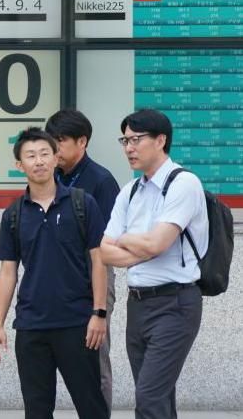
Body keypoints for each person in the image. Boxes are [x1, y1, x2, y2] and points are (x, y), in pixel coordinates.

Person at [0, 127, 109, 419]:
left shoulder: (83, 204)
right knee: (37, 410)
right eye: (30, 156)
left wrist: (99, 313)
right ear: (20, 165)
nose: (39, 161)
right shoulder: (14, 214)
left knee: (91, 407)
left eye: (45, 153)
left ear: (57, 158)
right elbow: (8, 272)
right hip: (31, 326)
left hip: (77, 325)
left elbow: (99, 261)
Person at [100, 109, 208, 419]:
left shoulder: (184, 183)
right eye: (125, 140)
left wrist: (132, 241)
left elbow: (157, 243)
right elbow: (105, 251)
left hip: (175, 302)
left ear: (160, 140)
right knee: (157, 397)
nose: (128, 148)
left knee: (148, 395)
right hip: (138, 304)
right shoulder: (129, 191)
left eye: (136, 139)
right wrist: (144, 246)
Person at [45, 108, 120, 410]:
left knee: (94, 358)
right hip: (57, 279)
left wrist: (99, 305)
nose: (53, 148)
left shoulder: (100, 181)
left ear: (82, 142)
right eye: (51, 140)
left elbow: (107, 242)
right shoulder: (51, 177)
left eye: (60, 141)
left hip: (93, 277)